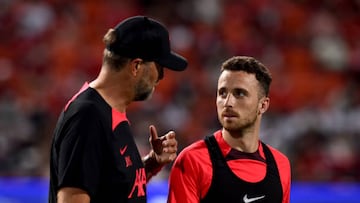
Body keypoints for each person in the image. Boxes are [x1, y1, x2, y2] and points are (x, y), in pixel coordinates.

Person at [48, 15, 188, 203]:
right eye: (159, 67)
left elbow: (113, 188)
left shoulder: (108, 112)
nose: (161, 77)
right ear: (136, 66)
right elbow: (72, 198)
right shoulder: (88, 116)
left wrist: (151, 163)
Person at [168, 56, 291, 203]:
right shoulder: (193, 160)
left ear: (263, 105)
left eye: (239, 93)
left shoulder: (280, 165)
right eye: (222, 93)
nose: (228, 102)